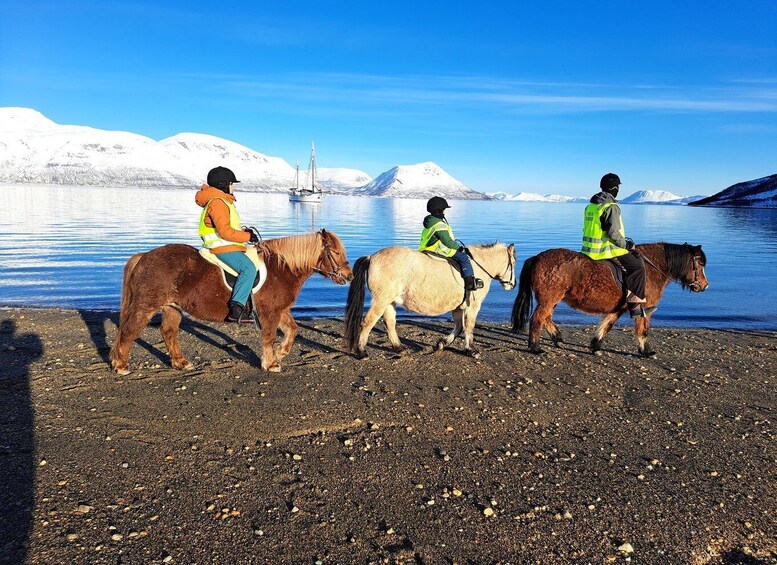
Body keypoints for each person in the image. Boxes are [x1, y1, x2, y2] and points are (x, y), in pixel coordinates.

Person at [581, 173, 655, 318]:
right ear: (614, 188)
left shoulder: (591, 206)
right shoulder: (611, 206)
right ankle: (635, 307)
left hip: (587, 250)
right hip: (605, 251)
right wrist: (627, 245)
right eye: (617, 187)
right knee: (638, 267)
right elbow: (613, 234)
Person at [195, 166, 259, 322]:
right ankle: (237, 309)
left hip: (226, 245)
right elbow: (224, 232)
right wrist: (247, 236)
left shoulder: (221, 201)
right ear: (224, 184)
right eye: (232, 183)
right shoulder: (218, 203)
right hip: (222, 247)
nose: (234, 186)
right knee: (248, 268)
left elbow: (228, 227)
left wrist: (243, 230)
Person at [419, 196, 483, 291]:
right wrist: (459, 248)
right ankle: (470, 283)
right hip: (437, 250)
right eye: (444, 209)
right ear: (439, 211)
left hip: (425, 249)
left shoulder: (430, 222)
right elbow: (448, 242)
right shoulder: (439, 225)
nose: (445, 212)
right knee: (463, 257)